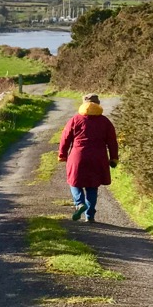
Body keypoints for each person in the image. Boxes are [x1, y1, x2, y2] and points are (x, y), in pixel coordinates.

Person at [57, 93, 119, 223]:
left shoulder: (75, 119)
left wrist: (62, 154)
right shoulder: (105, 121)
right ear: (98, 104)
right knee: (92, 186)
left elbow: (65, 138)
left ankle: (79, 203)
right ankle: (90, 216)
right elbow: (112, 142)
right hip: (98, 157)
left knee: (74, 182)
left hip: (78, 156)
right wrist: (113, 158)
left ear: (83, 104)